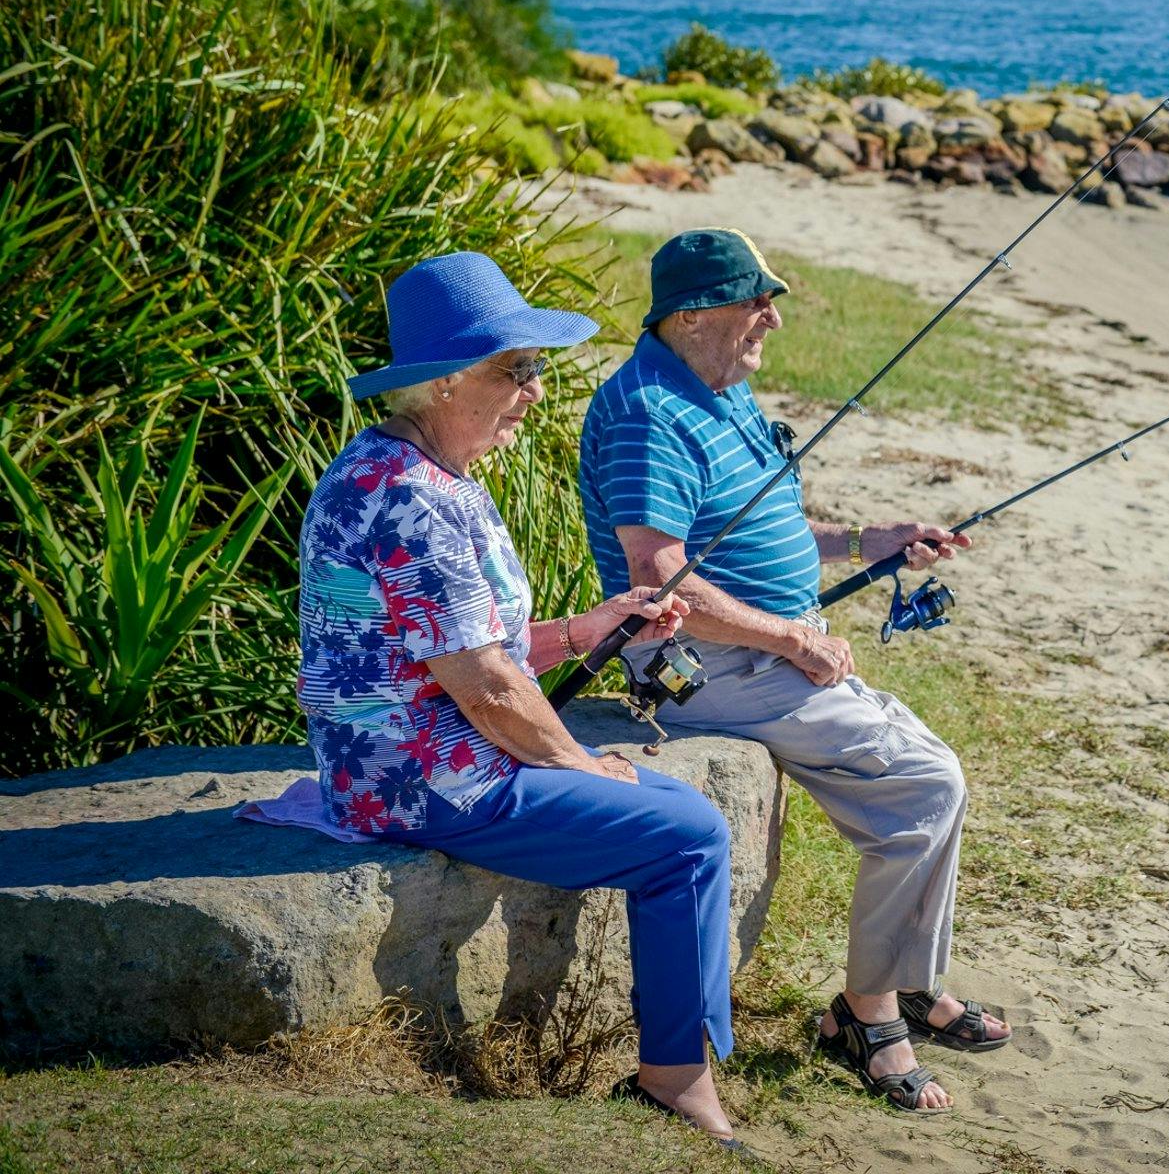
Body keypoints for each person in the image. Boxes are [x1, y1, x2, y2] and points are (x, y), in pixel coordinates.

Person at [298, 251, 749, 1156]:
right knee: (686, 836)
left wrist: (590, 628)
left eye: (536, 368)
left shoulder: (423, 474)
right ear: (444, 380)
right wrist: (581, 763)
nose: (535, 392)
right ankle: (676, 1075)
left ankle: (680, 1061)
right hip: (420, 778)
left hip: (442, 752)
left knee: (681, 812)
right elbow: (487, 687)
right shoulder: (408, 499)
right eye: (517, 371)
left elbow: (471, 649)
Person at [578, 228, 1009, 1116]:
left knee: (931, 773)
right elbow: (659, 581)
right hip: (705, 659)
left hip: (761, 644)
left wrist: (870, 542)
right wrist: (790, 640)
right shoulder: (649, 414)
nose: (771, 320)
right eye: (755, 303)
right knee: (925, 786)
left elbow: (757, 536)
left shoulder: (718, 388)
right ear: (690, 315)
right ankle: (869, 1014)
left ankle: (907, 983)